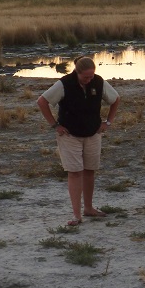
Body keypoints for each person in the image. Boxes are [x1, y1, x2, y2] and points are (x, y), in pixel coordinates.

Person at [37, 56, 120, 226]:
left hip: (93, 133)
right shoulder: (64, 84)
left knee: (90, 170)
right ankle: (76, 215)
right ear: (77, 72)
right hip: (69, 135)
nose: (89, 80)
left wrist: (108, 122)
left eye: (91, 76)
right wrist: (55, 125)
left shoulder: (99, 82)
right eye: (85, 77)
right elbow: (42, 101)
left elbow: (115, 99)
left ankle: (88, 208)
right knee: (75, 172)